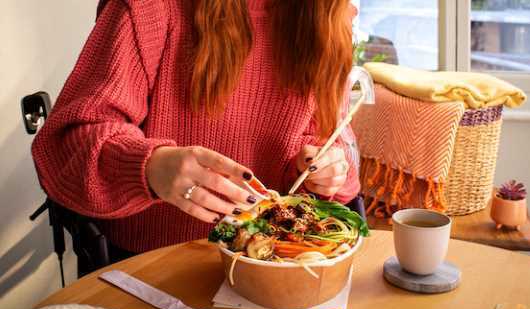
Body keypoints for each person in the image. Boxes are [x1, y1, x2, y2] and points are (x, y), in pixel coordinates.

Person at [31, 0, 361, 256]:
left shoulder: (329, 15)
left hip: (276, 259)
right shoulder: (150, 8)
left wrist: (325, 171)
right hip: (152, 265)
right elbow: (64, 147)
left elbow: (333, 155)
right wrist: (150, 167)